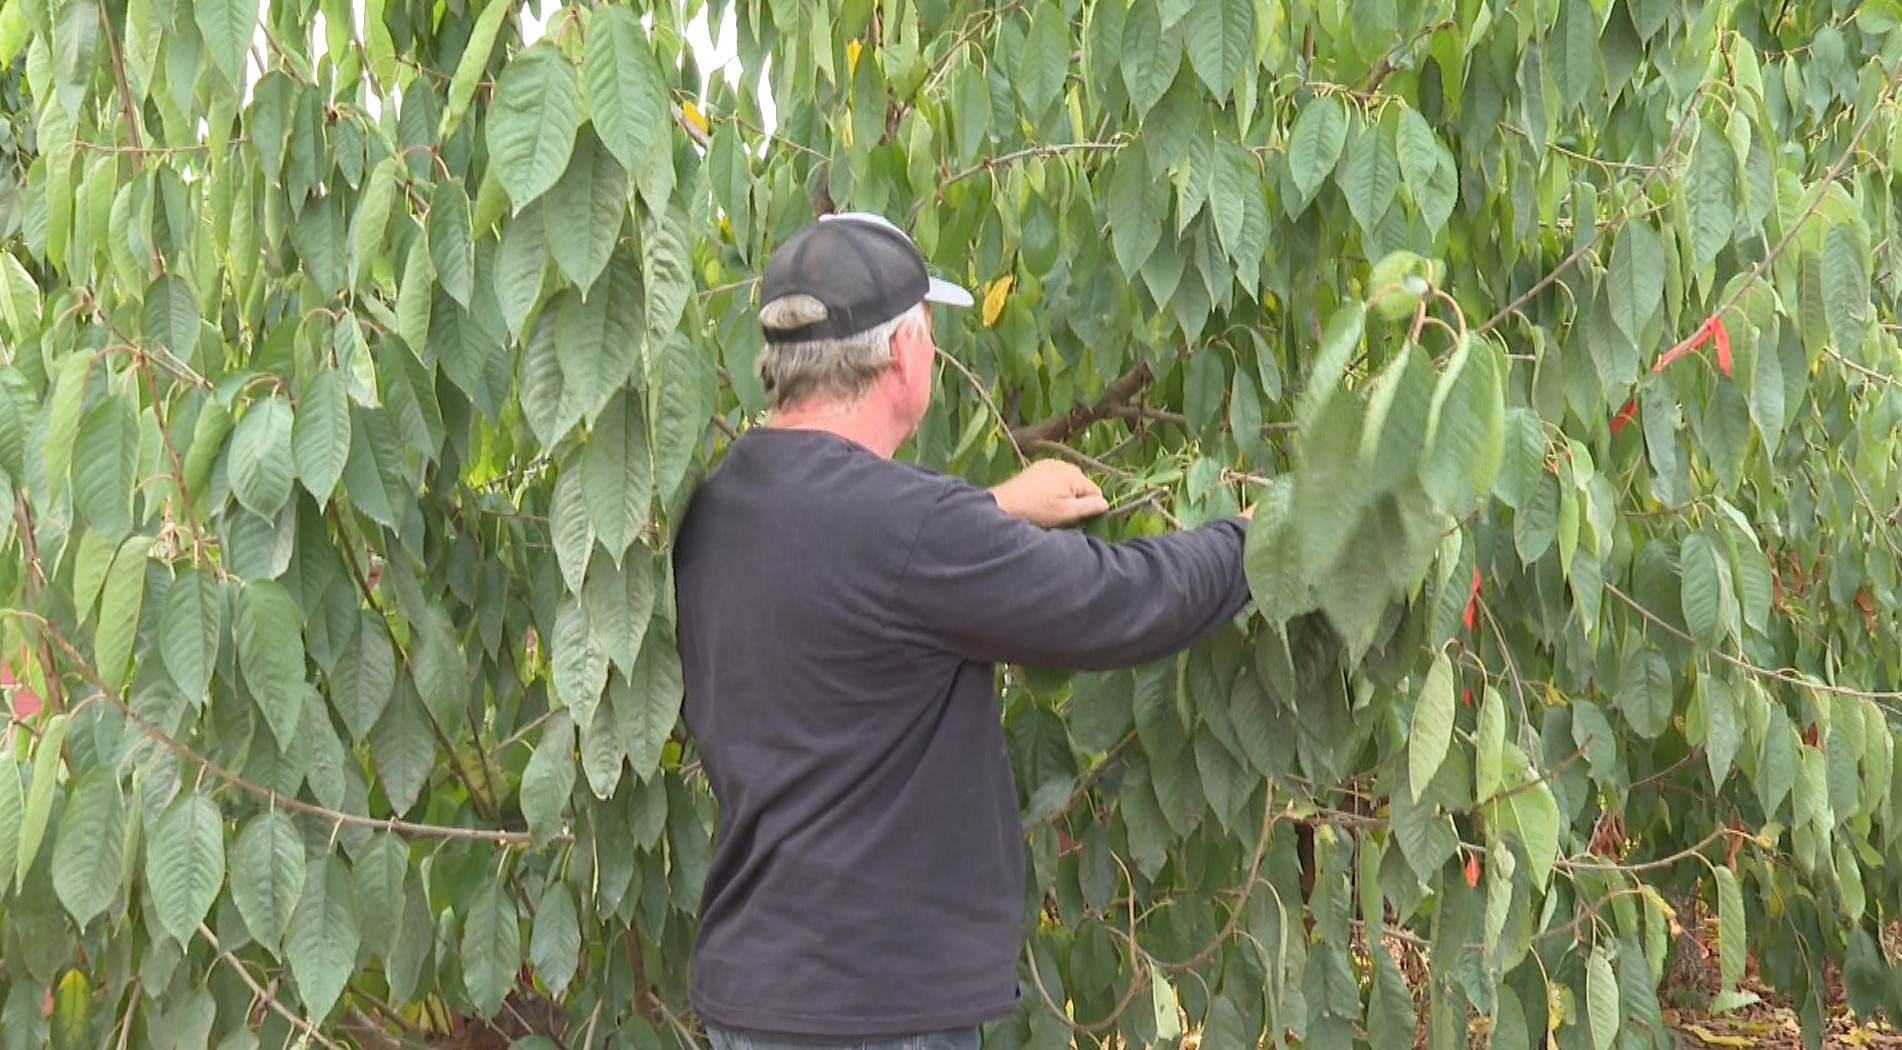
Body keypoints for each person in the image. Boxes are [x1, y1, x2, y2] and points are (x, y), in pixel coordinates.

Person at [673, 212, 1254, 1050]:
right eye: (931, 332)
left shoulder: (725, 500)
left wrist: (994, 508)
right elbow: (1124, 601)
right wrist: (1250, 542)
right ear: (905, 356)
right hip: (875, 1013)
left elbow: (845, 572)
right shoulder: (908, 531)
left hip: (754, 995)